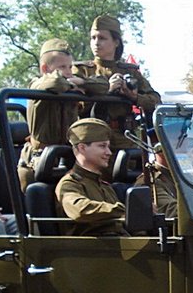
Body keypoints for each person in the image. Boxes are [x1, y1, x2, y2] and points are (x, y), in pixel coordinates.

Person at [19, 39, 98, 191]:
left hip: (66, 156)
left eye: (70, 67)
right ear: (44, 68)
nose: (69, 72)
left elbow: (102, 86)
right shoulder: (37, 84)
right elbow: (55, 83)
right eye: (62, 67)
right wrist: (73, 85)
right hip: (40, 159)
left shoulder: (69, 85)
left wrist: (82, 81)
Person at [73, 14, 161, 150]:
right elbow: (75, 107)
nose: (96, 42)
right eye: (93, 38)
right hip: (90, 140)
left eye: (102, 38)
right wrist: (106, 91)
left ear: (116, 42)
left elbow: (155, 101)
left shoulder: (130, 71)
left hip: (124, 139)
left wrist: (134, 97)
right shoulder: (82, 71)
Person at [55, 118, 127, 236]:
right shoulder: (70, 184)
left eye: (108, 146)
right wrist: (124, 209)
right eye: (102, 146)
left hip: (115, 244)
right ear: (82, 148)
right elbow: (80, 210)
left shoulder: (104, 185)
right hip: (90, 249)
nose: (108, 152)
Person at [136, 142, 178, 219]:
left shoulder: (183, 176)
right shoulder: (150, 181)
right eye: (178, 150)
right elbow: (170, 210)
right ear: (161, 153)